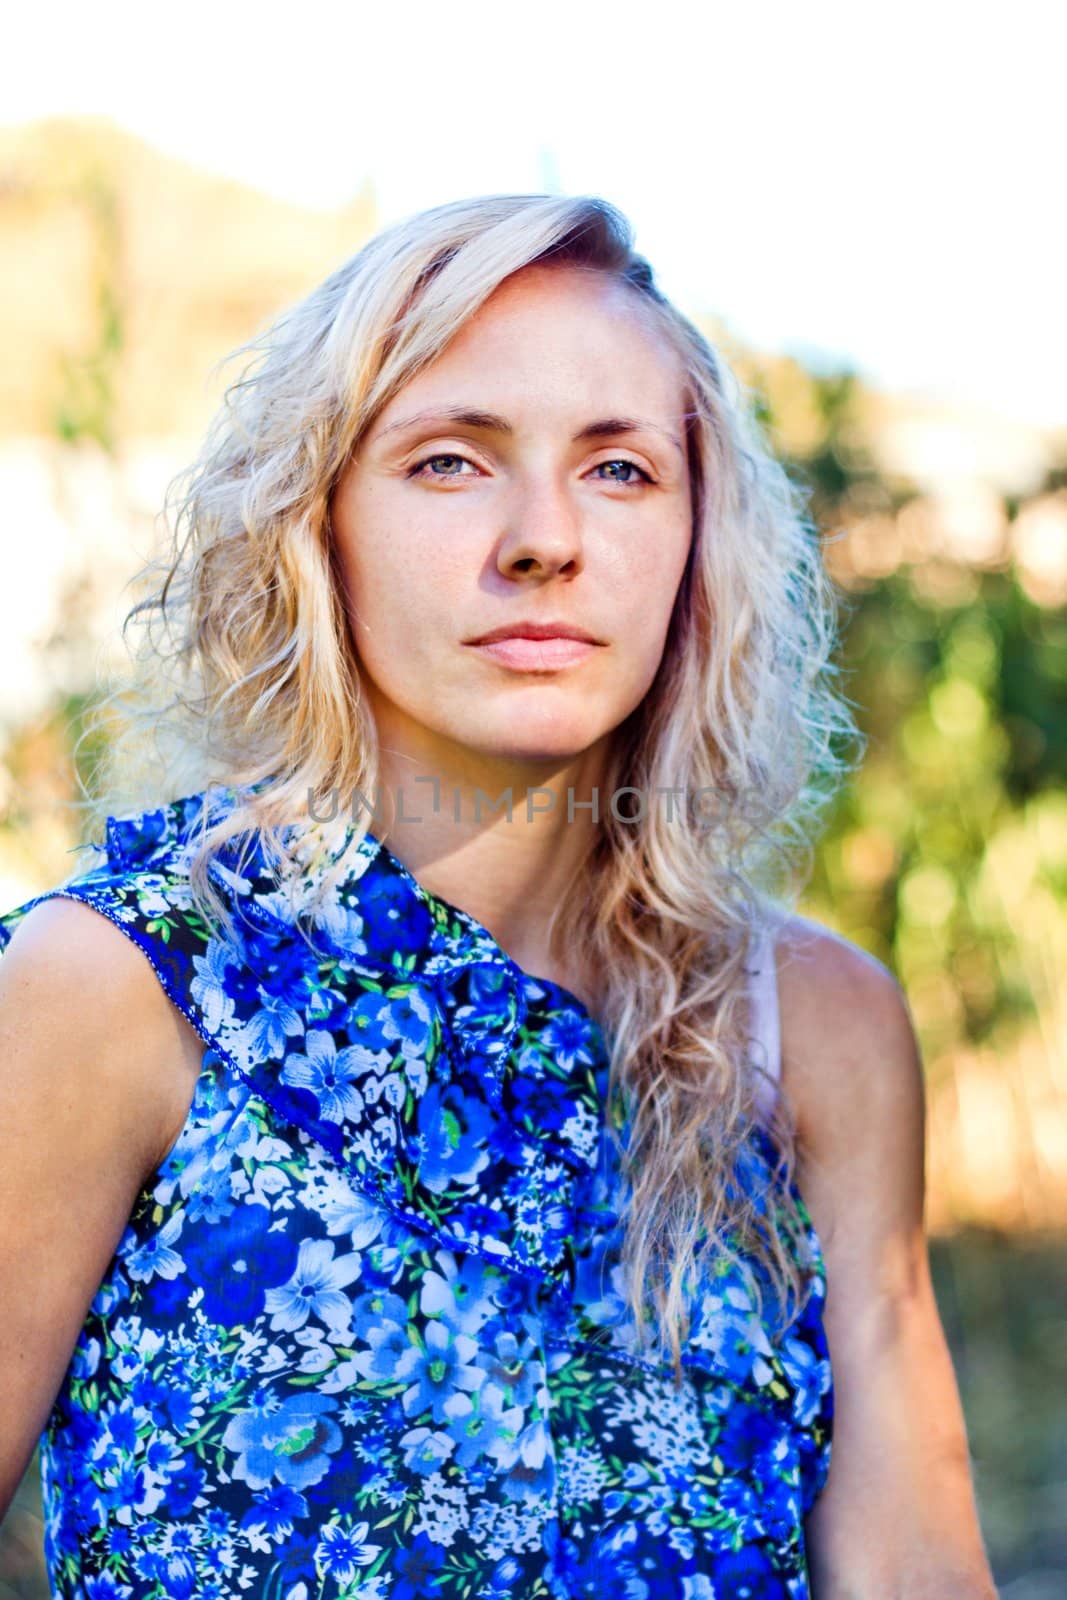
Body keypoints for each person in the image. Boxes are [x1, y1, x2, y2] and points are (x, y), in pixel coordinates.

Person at [0, 193, 997, 1598]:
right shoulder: (122, 985)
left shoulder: (813, 1029)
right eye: (452, 461)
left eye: (621, 471)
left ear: (696, 544)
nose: (544, 539)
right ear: (316, 525)